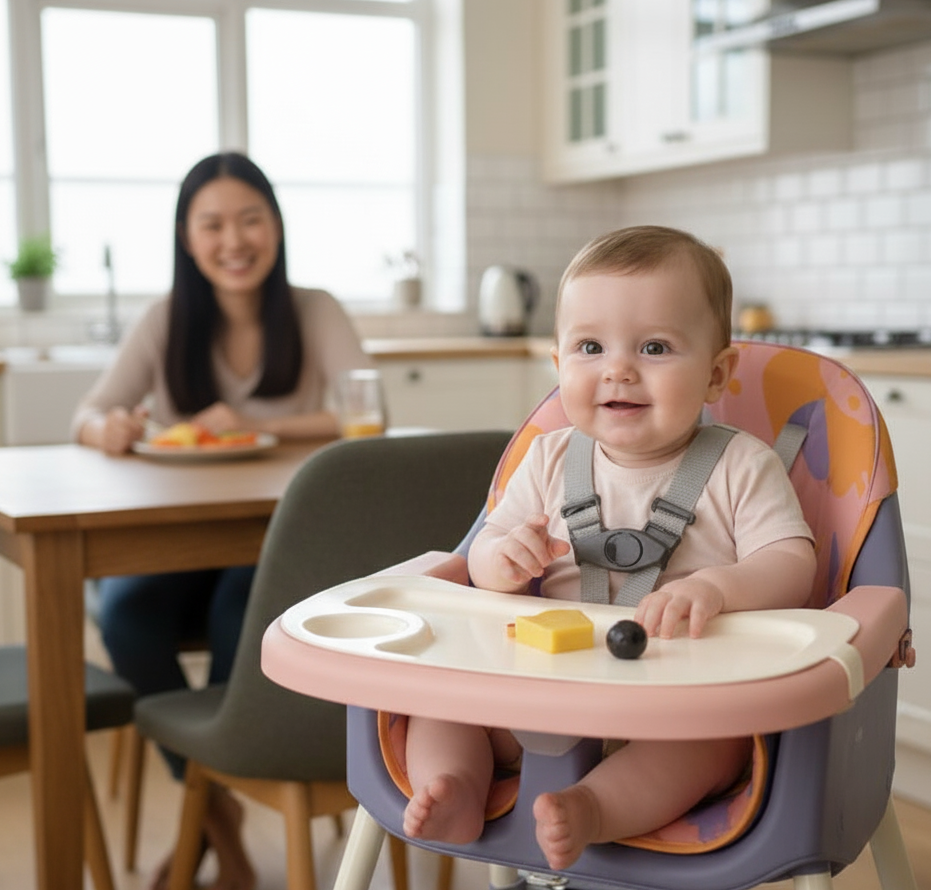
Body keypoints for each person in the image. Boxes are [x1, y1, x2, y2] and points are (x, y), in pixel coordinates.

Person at [401, 226, 817, 870]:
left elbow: (793, 564)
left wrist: (717, 588)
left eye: (654, 347)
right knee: (440, 701)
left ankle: (594, 808)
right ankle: (456, 784)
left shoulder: (743, 465)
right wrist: (502, 560)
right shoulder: (546, 458)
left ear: (716, 373)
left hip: (676, 704)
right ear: (559, 364)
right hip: (538, 690)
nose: (617, 369)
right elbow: (481, 554)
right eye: (590, 346)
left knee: (714, 749)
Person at [72, 151, 371, 890]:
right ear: (186, 236)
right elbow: (87, 411)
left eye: (249, 219)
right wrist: (105, 428)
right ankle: (217, 815)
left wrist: (254, 422)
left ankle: (206, 811)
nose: (233, 240)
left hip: (281, 540)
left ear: (274, 226)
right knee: (127, 616)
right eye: (212, 223)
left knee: (247, 607)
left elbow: (365, 410)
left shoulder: (315, 308)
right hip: (183, 538)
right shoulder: (164, 319)